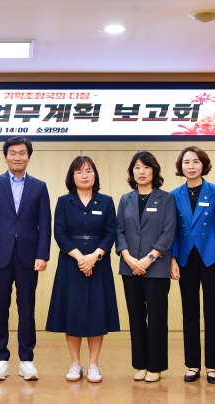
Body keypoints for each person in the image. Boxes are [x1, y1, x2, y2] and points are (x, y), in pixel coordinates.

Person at [0, 136, 51, 381]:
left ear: (29, 157)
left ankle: (26, 360)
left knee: (27, 310)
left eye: (22, 153)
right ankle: (0, 359)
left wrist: (42, 254)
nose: (17, 157)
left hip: (29, 257)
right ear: (5, 157)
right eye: (12, 153)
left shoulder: (39, 186)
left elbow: (45, 222)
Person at [46, 156, 119, 383]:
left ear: (95, 175)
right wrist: (80, 258)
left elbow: (111, 232)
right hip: (71, 264)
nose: (84, 175)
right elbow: (59, 233)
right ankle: (75, 363)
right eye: (79, 172)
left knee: (97, 314)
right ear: (72, 177)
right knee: (72, 313)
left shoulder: (106, 201)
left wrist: (94, 257)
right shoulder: (64, 201)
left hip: (99, 263)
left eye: (88, 171)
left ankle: (93, 364)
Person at [170, 146, 215, 384]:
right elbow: (174, 231)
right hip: (186, 259)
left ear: (203, 165)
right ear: (181, 166)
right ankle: (192, 364)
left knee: (213, 312)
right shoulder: (174, 194)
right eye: (186, 162)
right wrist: (173, 259)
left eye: (196, 161)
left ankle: (212, 365)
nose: (191, 166)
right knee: (190, 313)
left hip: (212, 258)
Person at [115, 151, 175, 383]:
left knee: (157, 317)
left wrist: (150, 258)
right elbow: (119, 231)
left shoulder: (166, 198)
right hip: (129, 267)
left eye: (146, 167)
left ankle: (156, 366)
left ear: (154, 171)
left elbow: (168, 232)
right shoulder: (126, 199)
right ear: (132, 172)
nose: (141, 172)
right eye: (137, 168)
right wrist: (128, 257)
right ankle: (140, 364)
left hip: (156, 268)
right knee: (136, 316)